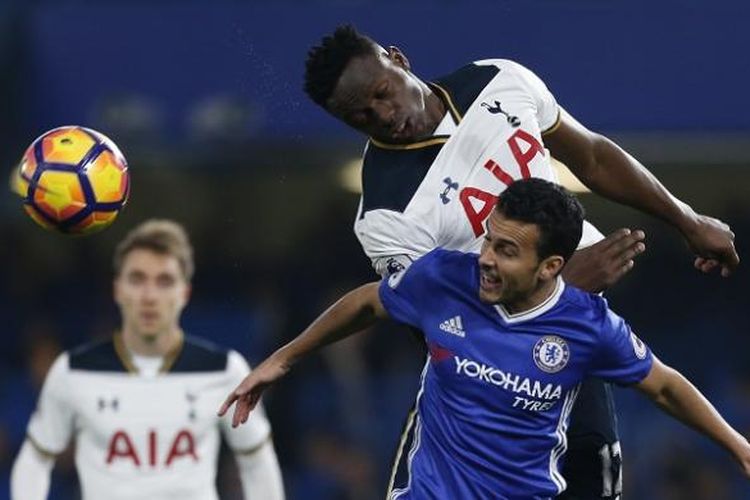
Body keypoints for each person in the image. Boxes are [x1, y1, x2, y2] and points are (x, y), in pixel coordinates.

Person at [299, 25, 739, 499]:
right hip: (481, 399)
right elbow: (444, 331)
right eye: (361, 116)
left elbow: (590, 157)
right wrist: (560, 290)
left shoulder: (499, 81)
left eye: (383, 94)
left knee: (597, 477)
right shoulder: (386, 213)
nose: (384, 115)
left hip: (574, 342)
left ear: (398, 60)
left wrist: (686, 219)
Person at [220, 178, 749, 499]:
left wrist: (737, 446)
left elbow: (664, 386)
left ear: (551, 267)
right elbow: (368, 301)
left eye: (508, 251)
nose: (488, 259)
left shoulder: (587, 326)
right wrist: (285, 359)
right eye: (490, 241)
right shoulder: (444, 278)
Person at [10, 219, 285, 500]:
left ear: (184, 293)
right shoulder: (72, 371)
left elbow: (257, 462)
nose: (149, 296)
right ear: (117, 289)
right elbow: (35, 460)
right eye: (137, 279)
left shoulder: (225, 370)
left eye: (164, 281)